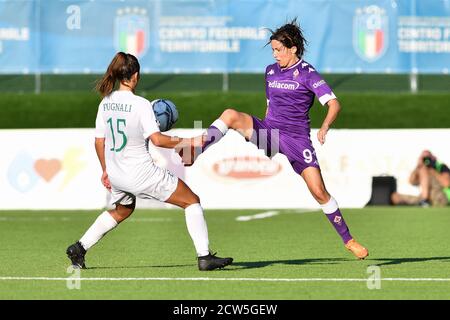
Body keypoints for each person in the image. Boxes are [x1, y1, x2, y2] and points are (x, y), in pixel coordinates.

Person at [184, 19, 369, 259]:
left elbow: (334, 104)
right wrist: (261, 132)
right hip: (270, 133)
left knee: (319, 191)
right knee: (230, 115)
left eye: (279, 50)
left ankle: (349, 240)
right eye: (272, 50)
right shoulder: (270, 72)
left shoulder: (308, 73)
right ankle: (196, 149)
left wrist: (324, 126)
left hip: (297, 139)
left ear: (293, 49)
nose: (275, 55)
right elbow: (270, 104)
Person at [66, 52, 233, 271]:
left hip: (117, 173)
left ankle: (79, 248)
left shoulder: (105, 102)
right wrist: (188, 141)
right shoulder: (141, 104)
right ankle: (204, 257)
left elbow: (99, 142)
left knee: (122, 210)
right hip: (141, 174)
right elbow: (158, 139)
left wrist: (105, 171)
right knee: (191, 201)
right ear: (135, 76)